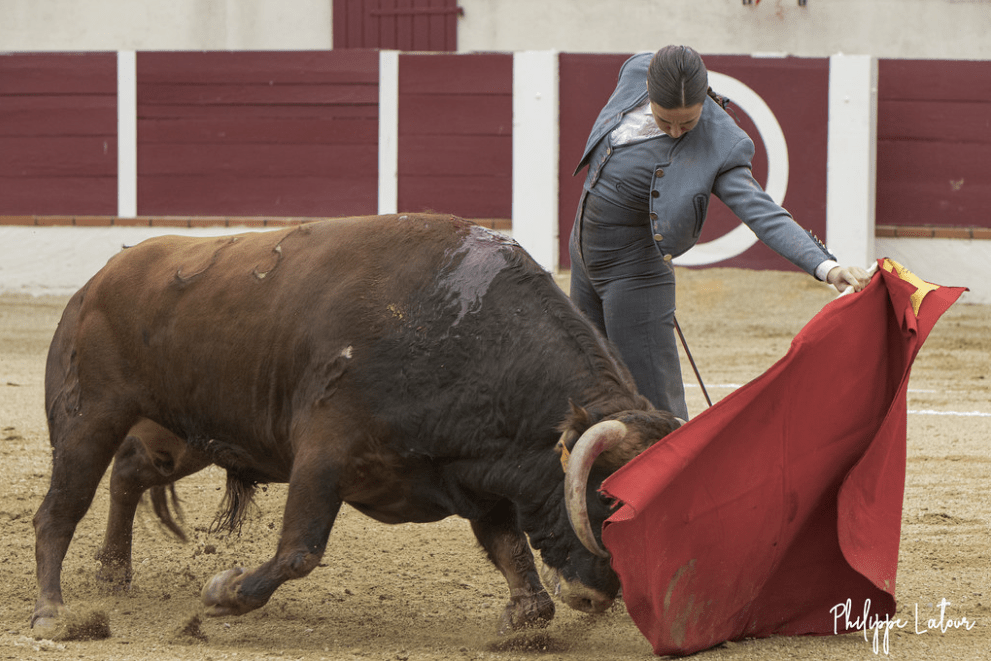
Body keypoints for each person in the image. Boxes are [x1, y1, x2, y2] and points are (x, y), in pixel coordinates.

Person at [569, 45, 871, 420]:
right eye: (665, 121)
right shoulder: (636, 71)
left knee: (657, 408)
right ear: (648, 89)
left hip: (635, 277)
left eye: (687, 123)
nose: (675, 131)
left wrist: (828, 268)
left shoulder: (721, 143)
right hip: (583, 261)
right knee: (587, 385)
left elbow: (763, 213)